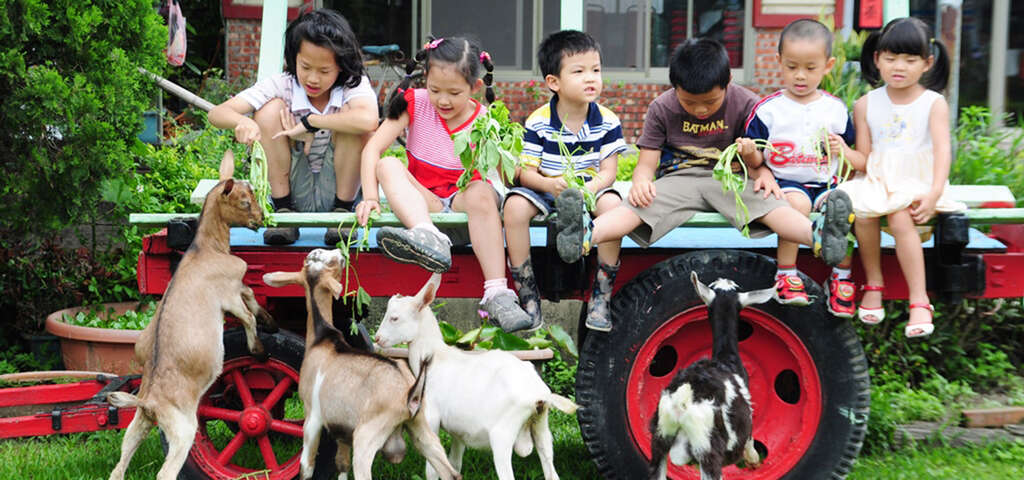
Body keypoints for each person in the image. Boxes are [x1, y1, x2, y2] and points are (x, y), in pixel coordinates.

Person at [559, 38, 855, 330]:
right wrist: (640, 181)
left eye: (710, 102)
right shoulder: (662, 107)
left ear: (727, 82)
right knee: (638, 205)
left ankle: (818, 236)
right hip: (679, 179)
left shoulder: (747, 103)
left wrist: (759, 168)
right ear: (674, 88)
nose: (700, 110)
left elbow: (758, 158)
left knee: (770, 203)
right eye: (689, 102)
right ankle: (585, 234)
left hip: (729, 179)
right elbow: (647, 162)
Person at [355, 37, 533, 332]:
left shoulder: (485, 119)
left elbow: (508, 173)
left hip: (465, 205)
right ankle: (426, 236)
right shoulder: (415, 104)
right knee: (387, 164)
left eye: (454, 92)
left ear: (475, 87)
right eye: (435, 90)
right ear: (425, 79)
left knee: (480, 191)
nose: (443, 100)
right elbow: (372, 149)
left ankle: (497, 291)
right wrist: (371, 197)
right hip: (426, 205)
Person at [838, 17, 965, 338]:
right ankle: (874, 283)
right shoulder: (866, 104)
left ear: (927, 63)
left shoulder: (932, 103)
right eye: (891, 58)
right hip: (878, 180)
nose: (899, 67)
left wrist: (935, 193)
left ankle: (919, 300)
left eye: (910, 60)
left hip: (919, 182)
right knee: (863, 212)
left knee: (898, 215)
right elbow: (865, 160)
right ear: (877, 58)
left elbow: (942, 152)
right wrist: (840, 151)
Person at [209, 9, 377, 246]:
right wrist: (244, 121)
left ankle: (341, 216)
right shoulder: (282, 84)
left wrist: (310, 122)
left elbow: (369, 120)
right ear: (293, 58)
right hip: (293, 187)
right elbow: (217, 113)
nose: (313, 79)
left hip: (340, 189)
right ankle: (284, 213)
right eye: (305, 66)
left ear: (340, 66)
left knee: (354, 120)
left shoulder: (352, 85)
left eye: (324, 71)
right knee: (267, 111)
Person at [503, 30, 628, 332]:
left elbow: (608, 172)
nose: (591, 78)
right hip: (548, 186)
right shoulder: (539, 121)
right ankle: (528, 293)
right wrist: (549, 184)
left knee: (613, 205)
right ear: (553, 83)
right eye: (579, 71)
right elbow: (525, 172)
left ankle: (602, 293)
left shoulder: (607, 121)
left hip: (588, 187)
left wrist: (589, 189)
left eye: (596, 70)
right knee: (514, 208)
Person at [742, 19, 862, 318]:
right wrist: (751, 156)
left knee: (843, 208)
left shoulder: (835, 109)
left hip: (827, 183)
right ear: (779, 61)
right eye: (792, 66)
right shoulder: (768, 110)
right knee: (794, 203)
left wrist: (842, 150)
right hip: (787, 182)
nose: (800, 76)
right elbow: (755, 160)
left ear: (828, 65)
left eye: (810, 68)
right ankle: (786, 273)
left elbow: (855, 155)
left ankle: (841, 276)